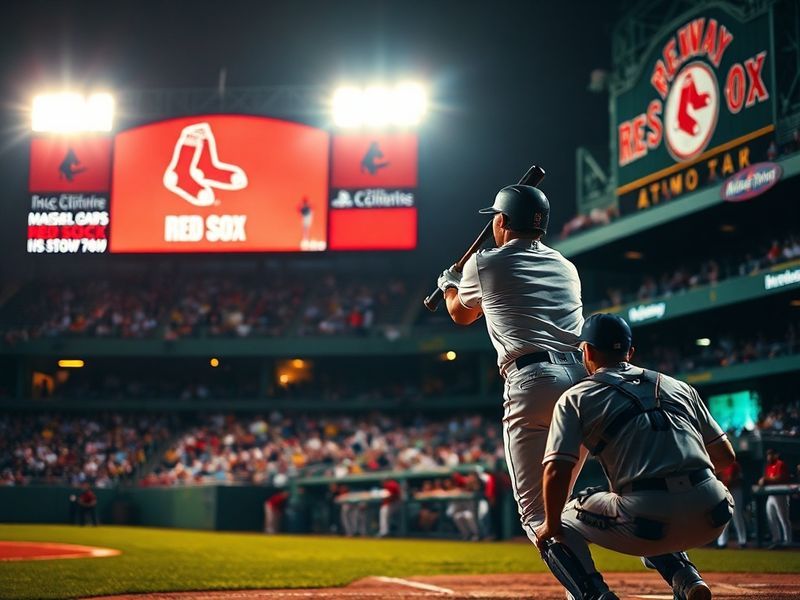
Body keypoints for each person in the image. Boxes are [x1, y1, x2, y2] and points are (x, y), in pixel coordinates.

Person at [534, 314, 736, 600]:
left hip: (647, 521)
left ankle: (596, 595)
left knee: (561, 521)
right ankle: (688, 579)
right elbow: (726, 457)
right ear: (630, 352)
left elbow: (557, 471)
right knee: (650, 504)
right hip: (714, 512)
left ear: (587, 351)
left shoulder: (576, 397)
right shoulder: (678, 386)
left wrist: (550, 524)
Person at [437, 183, 587, 546]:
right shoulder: (566, 265)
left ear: (502, 221)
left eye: (495, 218)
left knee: (537, 515)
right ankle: (678, 568)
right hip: (583, 379)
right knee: (567, 500)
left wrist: (449, 285)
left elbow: (461, 315)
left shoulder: (484, 262)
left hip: (532, 380)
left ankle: (587, 580)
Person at [759, 448, 792, 548]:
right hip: (771, 494)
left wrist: (766, 479)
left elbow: (780, 477)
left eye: (771, 454)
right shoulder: (768, 466)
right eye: (768, 454)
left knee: (783, 518)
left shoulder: (780, 464)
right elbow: (766, 479)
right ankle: (776, 539)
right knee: (771, 516)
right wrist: (763, 480)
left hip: (781, 493)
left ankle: (787, 540)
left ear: (776, 455)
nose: (769, 456)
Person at [716, 460, 747, 548]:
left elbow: (731, 479)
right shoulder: (721, 464)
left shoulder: (734, 464)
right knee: (724, 515)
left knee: (737, 515)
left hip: (735, 490)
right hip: (725, 490)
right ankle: (722, 542)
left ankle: (742, 541)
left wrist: (722, 483)